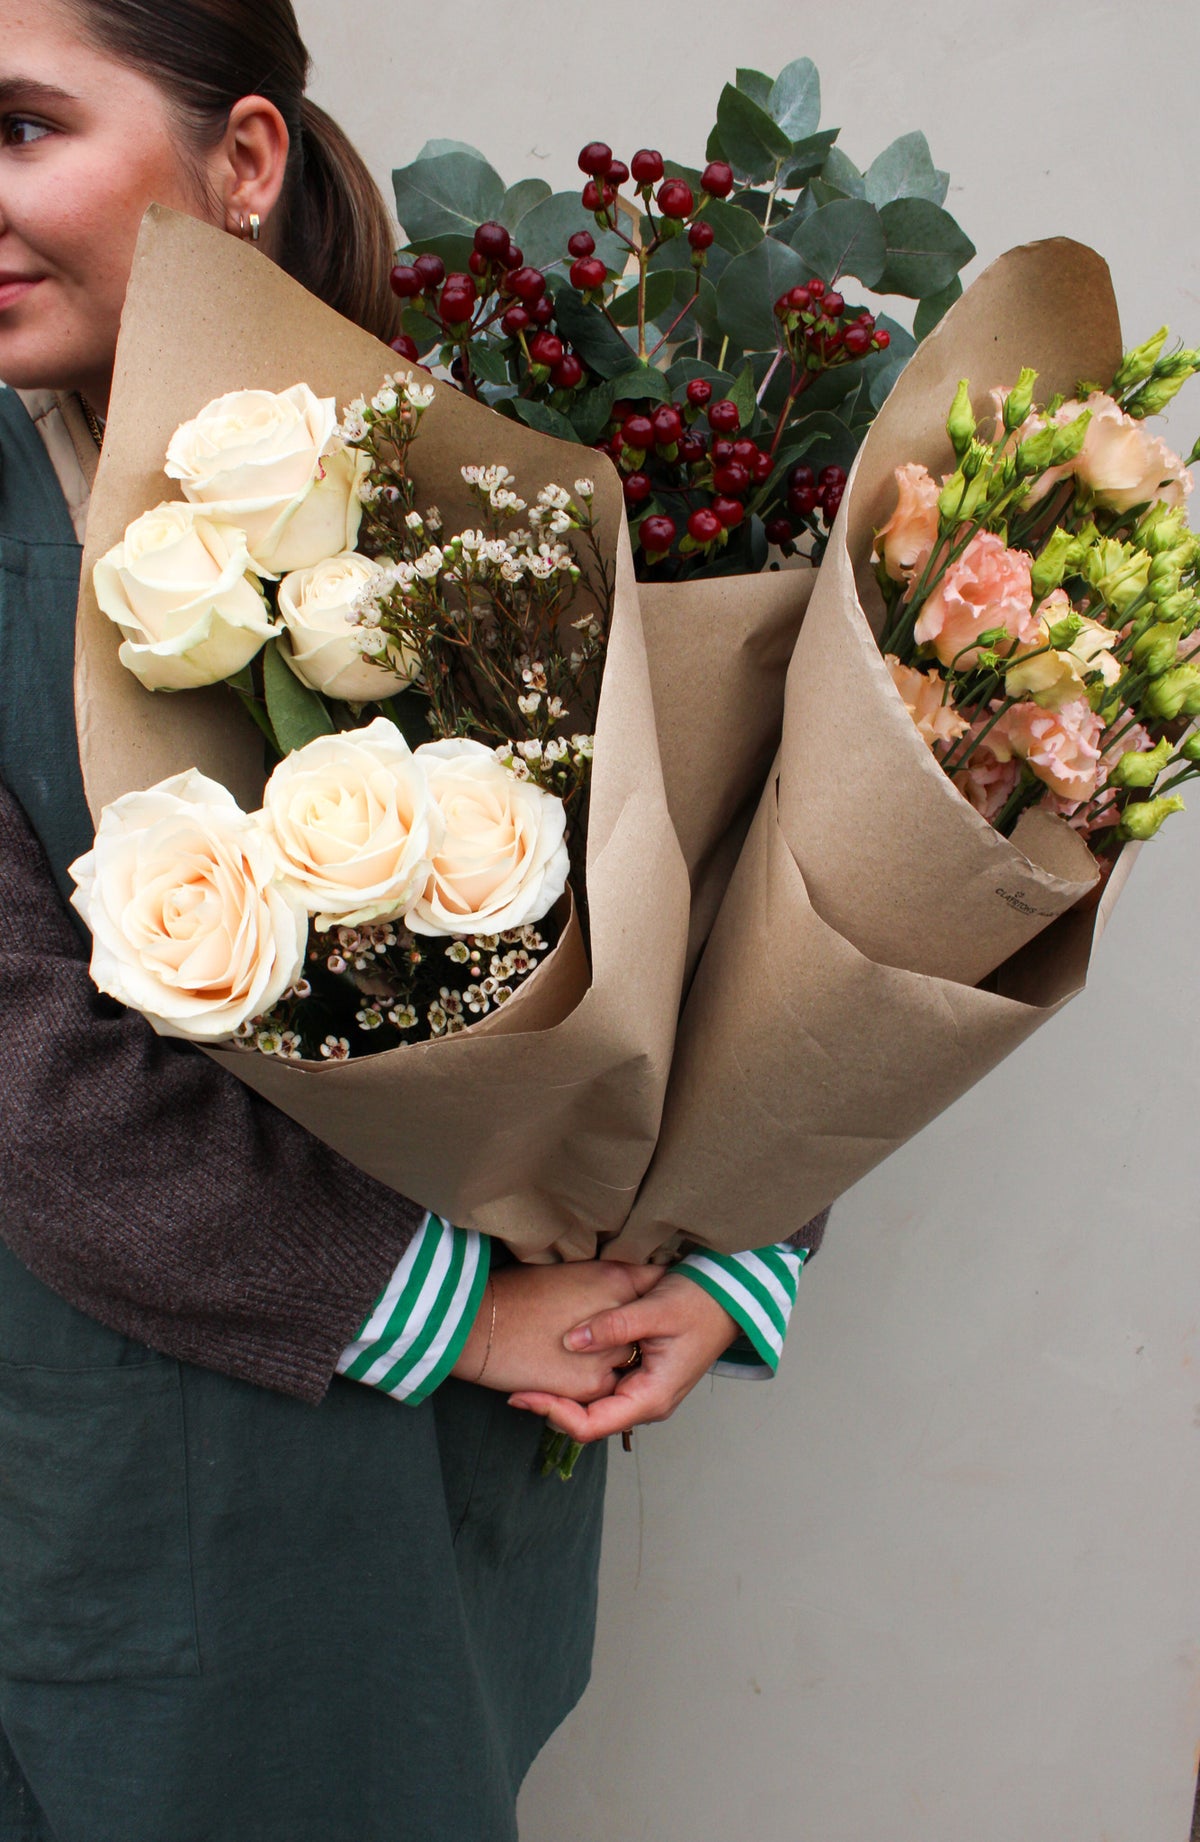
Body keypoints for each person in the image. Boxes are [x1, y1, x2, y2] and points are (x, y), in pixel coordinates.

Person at [0, 2, 822, 1836]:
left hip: (489, 1464)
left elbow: (748, 866)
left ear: (245, 159)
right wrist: (457, 1313)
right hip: (153, 1482)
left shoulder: (491, 453)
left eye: (22, 128)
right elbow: (31, 1083)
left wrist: (733, 1245)